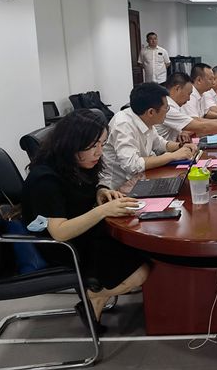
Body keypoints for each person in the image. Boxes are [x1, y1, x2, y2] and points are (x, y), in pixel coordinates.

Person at [21, 110, 150, 334]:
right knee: (141, 272)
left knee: (141, 248)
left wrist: (100, 192)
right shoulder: (45, 179)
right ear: (71, 145)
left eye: (102, 144)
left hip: (83, 234)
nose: (99, 152)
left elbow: (79, 196)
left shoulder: (74, 164)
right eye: (92, 146)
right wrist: (103, 211)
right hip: (63, 247)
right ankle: (92, 295)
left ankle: (95, 300)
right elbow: (59, 232)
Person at [99, 83, 197, 190]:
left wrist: (181, 146)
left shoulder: (145, 118)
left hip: (141, 179)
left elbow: (159, 143)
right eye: (166, 108)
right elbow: (132, 165)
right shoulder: (123, 124)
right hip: (118, 188)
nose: (167, 111)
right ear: (151, 112)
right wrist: (172, 156)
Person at [155, 72, 217, 142]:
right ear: (177, 89)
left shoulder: (174, 104)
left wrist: (181, 132)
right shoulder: (167, 108)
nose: (189, 98)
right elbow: (202, 127)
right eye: (188, 94)